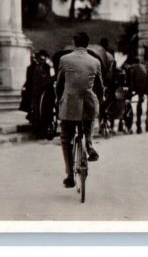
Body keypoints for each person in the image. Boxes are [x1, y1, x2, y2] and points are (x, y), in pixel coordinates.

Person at [56, 32, 104, 188]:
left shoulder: (64, 59)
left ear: (73, 43)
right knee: (89, 123)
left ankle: (70, 176)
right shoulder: (95, 62)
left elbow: (59, 84)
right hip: (89, 102)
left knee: (66, 138)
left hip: (69, 104)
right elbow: (100, 87)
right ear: (87, 44)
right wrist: (100, 101)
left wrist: (59, 101)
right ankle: (89, 145)